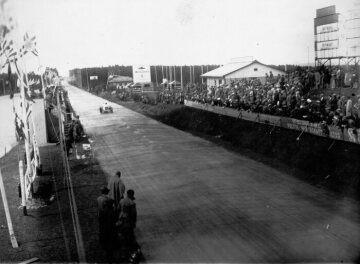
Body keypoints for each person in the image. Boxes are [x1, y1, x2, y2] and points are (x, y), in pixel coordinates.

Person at [97, 187, 117, 263]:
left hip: (103, 222)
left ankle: (107, 255)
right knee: (110, 242)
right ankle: (110, 257)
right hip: (110, 228)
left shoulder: (98, 198)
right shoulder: (108, 202)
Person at [117, 189, 139, 257]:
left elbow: (118, 209)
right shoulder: (132, 203)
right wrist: (134, 223)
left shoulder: (121, 200)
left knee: (122, 234)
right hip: (128, 222)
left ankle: (123, 249)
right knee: (129, 236)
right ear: (132, 195)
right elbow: (133, 214)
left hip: (121, 220)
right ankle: (129, 250)